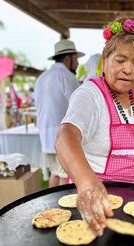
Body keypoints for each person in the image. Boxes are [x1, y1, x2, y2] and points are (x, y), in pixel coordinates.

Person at [56, 16, 134, 236]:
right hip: (95, 201)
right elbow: (66, 137)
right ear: (105, 60)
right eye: (120, 60)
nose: (129, 70)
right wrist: (87, 183)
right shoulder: (90, 95)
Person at [35, 39, 84, 188]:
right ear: (68, 59)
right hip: (61, 134)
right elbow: (79, 104)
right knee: (64, 175)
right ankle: (61, 210)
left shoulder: (42, 77)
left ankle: (52, 208)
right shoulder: (67, 77)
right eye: (76, 59)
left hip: (45, 134)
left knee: (55, 173)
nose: (77, 64)